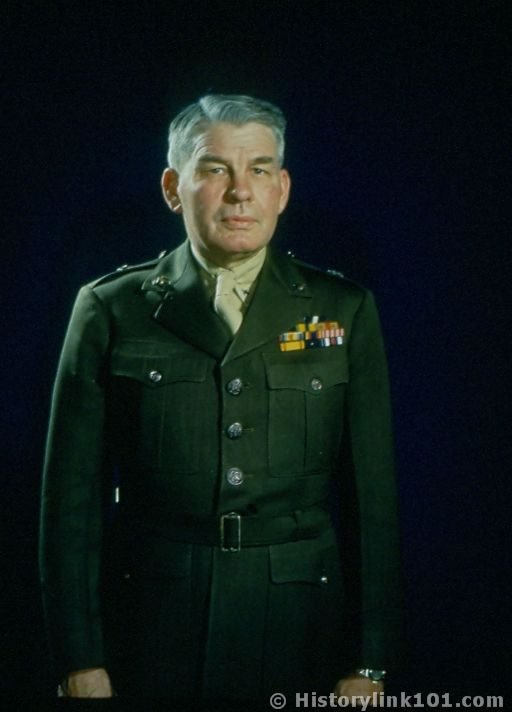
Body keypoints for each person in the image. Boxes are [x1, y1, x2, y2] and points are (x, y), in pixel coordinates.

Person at [39, 94, 404, 705]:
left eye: (259, 169)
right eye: (215, 169)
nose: (240, 191)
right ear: (172, 188)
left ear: (281, 190)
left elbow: (372, 499)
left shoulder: (342, 309)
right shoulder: (111, 308)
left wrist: (370, 658)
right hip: (151, 625)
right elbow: (69, 503)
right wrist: (80, 658)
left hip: (299, 624)